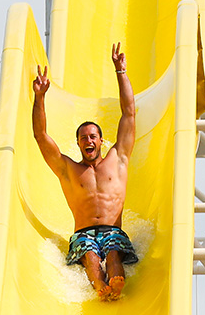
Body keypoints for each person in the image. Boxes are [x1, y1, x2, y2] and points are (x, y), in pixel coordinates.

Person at [30, 45, 140, 299]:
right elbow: (40, 136)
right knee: (90, 258)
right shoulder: (69, 169)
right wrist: (40, 98)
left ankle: (115, 280)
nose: (88, 141)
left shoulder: (118, 159)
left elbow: (129, 113)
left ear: (102, 141)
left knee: (113, 254)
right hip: (83, 233)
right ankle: (101, 287)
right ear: (78, 143)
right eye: (83, 138)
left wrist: (120, 71)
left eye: (93, 136)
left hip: (114, 230)